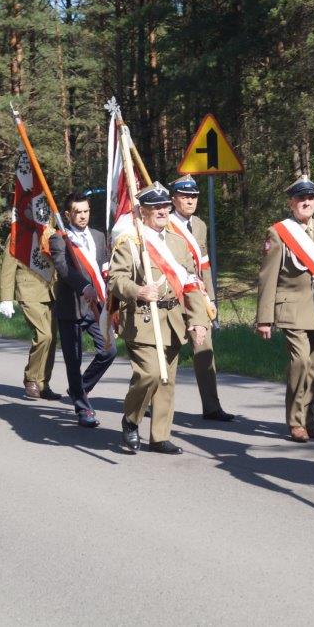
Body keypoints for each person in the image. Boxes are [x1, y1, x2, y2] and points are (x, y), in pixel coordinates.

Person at [108, 182, 210, 454]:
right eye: (156, 207)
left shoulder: (178, 242)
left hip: (173, 317)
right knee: (150, 373)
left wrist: (198, 320)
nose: (163, 210)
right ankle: (131, 420)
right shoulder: (131, 242)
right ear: (143, 212)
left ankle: (160, 436)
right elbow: (116, 280)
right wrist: (138, 290)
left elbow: (191, 284)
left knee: (167, 380)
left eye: (165, 205)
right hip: (143, 318)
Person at [255, 175, 314, 442]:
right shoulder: (279, 233)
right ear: (292, 202)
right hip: (291, 308)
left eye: (311, 198)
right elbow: (268, 277)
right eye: (301, 198)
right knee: (300, 361)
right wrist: (264, 319)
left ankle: (309, 420)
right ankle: (295, 422)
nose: (306, 202)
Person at [167, 174, 235, 421]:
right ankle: (155, 404)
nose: (190, 200)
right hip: (172, 295)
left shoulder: (200, 225)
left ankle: (212, 406)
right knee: (167, 352)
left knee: (205, 350)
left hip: (196, 296)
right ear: (173, 198)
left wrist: (211, 298)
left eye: (194, 196)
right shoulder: (163, 224)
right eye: (185, 196)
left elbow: (204, 264)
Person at [49, 191, 116, 428]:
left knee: (109, 351)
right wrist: (83, 286)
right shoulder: (60, 238)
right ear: (68, 214)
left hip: (97, 306)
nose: (83, 216)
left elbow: (106, 267)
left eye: (86, 211)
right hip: (72, 307)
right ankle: (82, 408)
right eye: (78, 212)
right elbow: (63, 268)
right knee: (73, 360)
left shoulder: (99, 236)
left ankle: (80, 388)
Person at [0, 229, 59, 401]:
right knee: (44, 335)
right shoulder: (18, 232)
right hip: (29, 290)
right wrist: (6, 298)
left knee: (52, 339)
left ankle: (43, 383)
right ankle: (31, 378)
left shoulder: (51, 230)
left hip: (51, 290)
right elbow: (8, 266)